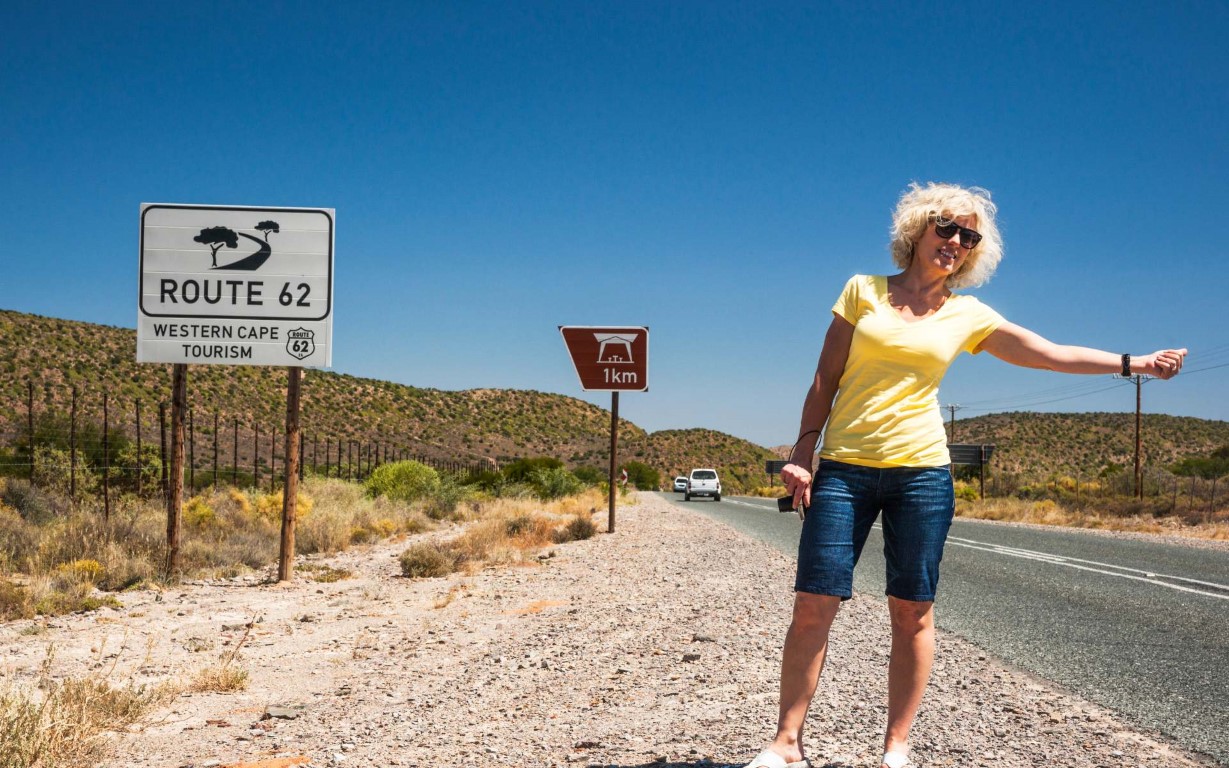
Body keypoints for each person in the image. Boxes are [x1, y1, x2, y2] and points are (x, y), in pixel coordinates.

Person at [741, 182, 1187, 768]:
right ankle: (786, 745)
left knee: (912, 608)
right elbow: (825, 379)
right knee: (813, 603)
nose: (956, 241)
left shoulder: (966, 314)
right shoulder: (862, 291)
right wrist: (804, 450)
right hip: (846, 470)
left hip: (923, 473)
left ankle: (896, 747)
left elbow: (1045, 352)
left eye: (968, 235)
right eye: (947, 228)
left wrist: (1136, 363)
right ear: (919, 229)